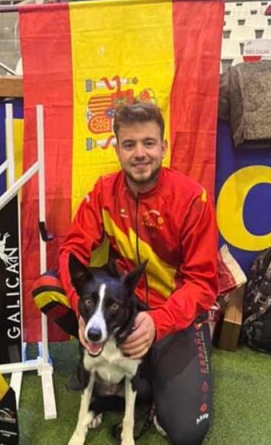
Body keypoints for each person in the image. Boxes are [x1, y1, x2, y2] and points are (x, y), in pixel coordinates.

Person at [57, 102, 217, 444]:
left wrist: (159, 322)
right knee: (47, 284)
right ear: (117, 149)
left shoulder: (192, 198)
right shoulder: (103, 192)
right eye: (129, 145)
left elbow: (204, 284)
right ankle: (100, 357)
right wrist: (80, 311)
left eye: (148, 142)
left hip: (175, 316)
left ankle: (151, 382)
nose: (140, 153)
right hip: (122, 308)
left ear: (164, 147)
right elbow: (71, 250)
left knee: (188, 431)